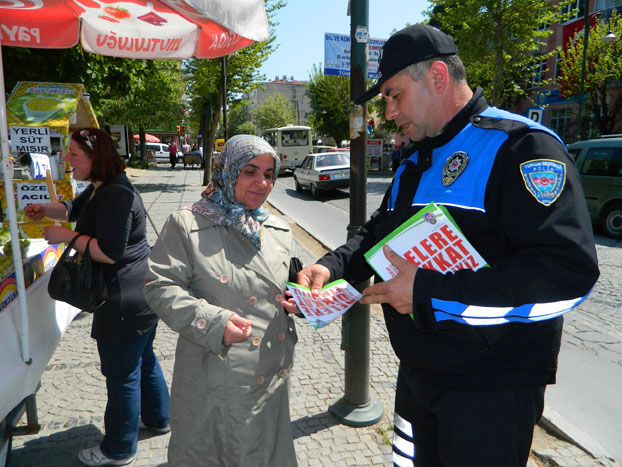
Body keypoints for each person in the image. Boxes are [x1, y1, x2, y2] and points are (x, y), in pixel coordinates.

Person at [288, 25, 599, 466]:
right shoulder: (416, 157)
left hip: (490, 390)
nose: (389, 113)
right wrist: (332, 267)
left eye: (394, 95)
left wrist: (427, 292)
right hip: (418, 376)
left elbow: (566, 278)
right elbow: (379, 231)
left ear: (437, 76)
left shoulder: (521, 148)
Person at [144, 135, 299, 466]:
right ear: (227, 171)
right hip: (218, 378)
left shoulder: (278, 229)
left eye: (269, 174)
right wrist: (213, 322)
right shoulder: (187, 224)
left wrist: (301, 301)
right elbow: (159, 285)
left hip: (271, 378)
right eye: (250, 171)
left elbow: (284, 287)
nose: (262, 183)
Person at [25, 128, 170, 466]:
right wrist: (47, 210)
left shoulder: (116, 194)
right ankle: (159, 419)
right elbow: (75, 208)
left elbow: (109, 252)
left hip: (124, 296)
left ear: (95, 158)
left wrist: (67, 237)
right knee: (143, 359)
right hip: (139, 293)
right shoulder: (101, 187)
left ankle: (119, 449)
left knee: (122, 374)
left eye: (75, 154)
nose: (68, 159)